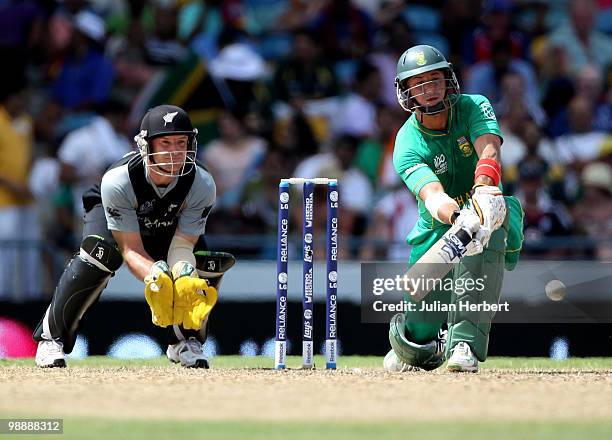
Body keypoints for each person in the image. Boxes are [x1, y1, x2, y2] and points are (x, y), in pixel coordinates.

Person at [33, 105, 235, 369]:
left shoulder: (202, 183)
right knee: (99, 255)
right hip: (113, 216)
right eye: (165, 143)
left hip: (168, 223)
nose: (175, 152)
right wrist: (156, 277)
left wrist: (184, 273)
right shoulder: (119, 180)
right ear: (146, 145)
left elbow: (183, 243)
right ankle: (52, 339)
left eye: (181, 142)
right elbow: (130, 249)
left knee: (202, 267)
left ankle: (185, 340)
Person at [384, 45, 524, 373]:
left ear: (448, 79)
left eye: (435, 79)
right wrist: (459, 217)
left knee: (483, 233)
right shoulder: (406, 142)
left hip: (487, 207)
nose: (429, 89)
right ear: (406, 92)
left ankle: (464, 344)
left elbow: (488, 149)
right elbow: (432, 195)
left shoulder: (474, 105)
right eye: (418, 83)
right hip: (438, 228)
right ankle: (423, 343)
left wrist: (483, 193)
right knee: (417, 333)